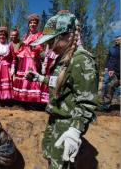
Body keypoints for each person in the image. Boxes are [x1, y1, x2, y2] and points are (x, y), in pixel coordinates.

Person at [25, 12, 98, 168]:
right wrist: (39, 78)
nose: (49, 47)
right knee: (50, 156)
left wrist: (75, 130)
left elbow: (86, 102)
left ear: (67, 36)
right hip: (54, 119)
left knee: (61, 165)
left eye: (52, 42)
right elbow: (60, 84)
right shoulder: (62, 58)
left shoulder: (82, 61)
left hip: (67, 125)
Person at [13, 13, 43, 102]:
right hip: (24, 59)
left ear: (37, 24)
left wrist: (32, 47)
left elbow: (40, 47)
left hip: (32, 59)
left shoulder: (39, 35)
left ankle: (32, 99)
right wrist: (17, 52)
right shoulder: (25, 35)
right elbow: (22, 47)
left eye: (34, 23)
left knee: (31, 76)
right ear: (29, 24)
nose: (32, 24)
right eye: (31, 23)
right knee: (22, 78)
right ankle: (22, 98)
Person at [100, 35, 120, 110]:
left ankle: (115, 99)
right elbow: (108, 58)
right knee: (108, 85)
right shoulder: (112, 49)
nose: (116, 41)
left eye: (118, 39)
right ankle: (105, 105)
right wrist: (107, 68)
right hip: (112, 70)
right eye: (116, 40)